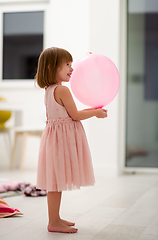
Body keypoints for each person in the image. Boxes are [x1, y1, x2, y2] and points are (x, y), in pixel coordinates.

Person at [35, 47, 108, 234]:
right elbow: (75, 115)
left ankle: (55, 218)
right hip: (62, 141)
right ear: (52, 67)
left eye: (72, 64)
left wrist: (93, 109)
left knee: (55, 182)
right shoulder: (62, 90)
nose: (72, 69)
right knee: (56, 183)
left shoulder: (49, 89)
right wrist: (95, 114)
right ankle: (53, 222)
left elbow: (66, 115)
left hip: (54, 139)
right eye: (67, 64)